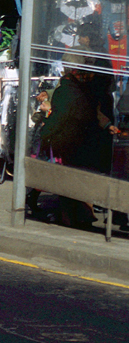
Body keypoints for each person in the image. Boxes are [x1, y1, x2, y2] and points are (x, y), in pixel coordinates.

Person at [40, 52, 119, 227]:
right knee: (82, 177)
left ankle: (70, 219)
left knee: (67, 181)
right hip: (83, 138)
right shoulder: (85, 88)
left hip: (69, 140)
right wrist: (106, 125)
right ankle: (84, 216)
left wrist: (45, 135)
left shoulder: (68, 89)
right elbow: (95, 112)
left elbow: (60, 117)